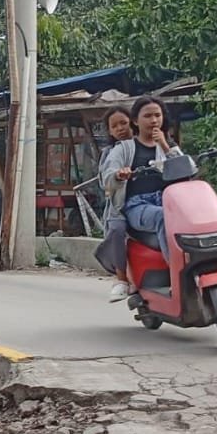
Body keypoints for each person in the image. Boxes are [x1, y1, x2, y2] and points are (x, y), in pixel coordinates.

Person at [102, 96, 183, 264]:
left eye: (157, 115)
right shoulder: (123, 148)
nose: (154, 120)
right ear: (135, 121)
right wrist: (119, 174)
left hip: (165, 200)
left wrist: (165, 145)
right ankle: (178, 270)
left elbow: (185, 171)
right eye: (147, 116)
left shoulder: (169, 146)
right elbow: (107, 177)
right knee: (163, 217)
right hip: (136, 205)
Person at [94, 107, 136, 302]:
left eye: (123, 123)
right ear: (110, 131)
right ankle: (121, 278)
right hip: (120, 205)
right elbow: (105, 181)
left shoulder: (148, 144)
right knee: (117, 230)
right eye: (114, 126)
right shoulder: (110, 153)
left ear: (133, 122)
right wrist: (118, 176)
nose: (120, 128)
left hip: (153, 201)